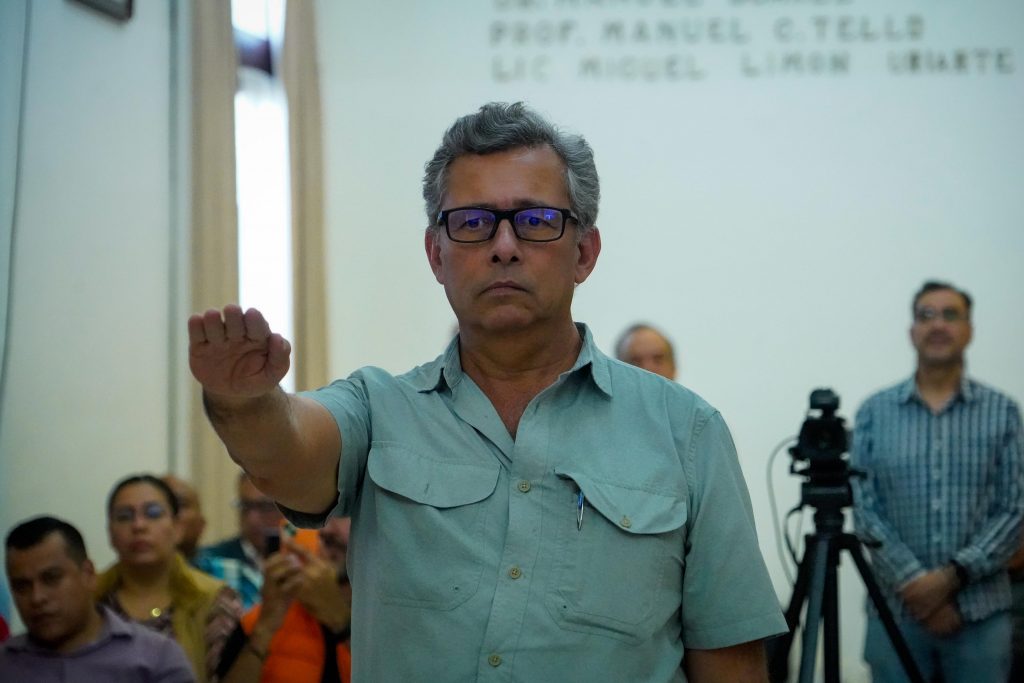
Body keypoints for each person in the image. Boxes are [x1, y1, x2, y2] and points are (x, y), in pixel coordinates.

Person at [187, 101, 786, 682]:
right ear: (436, 254)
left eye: (535, 221)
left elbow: (730, 660)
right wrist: (245, 400)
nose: (503, 246)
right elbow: (287, 456)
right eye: (472, 223)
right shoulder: (378, 410)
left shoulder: (686, 431)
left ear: (584, 252)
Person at [851, 280, 1024, 683]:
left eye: (950, 315)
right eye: (926, 315)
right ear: (912, 330)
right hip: (895, 611)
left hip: (980, 614)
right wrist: (913, 583)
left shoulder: (1003, 412)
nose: (938, 325)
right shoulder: (874, 411)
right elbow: (864, 507)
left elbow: (1014, 509)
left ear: (969, 329)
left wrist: (948, 580)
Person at [1, 515, 194, 682]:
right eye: (21, 586)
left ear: (88, 574)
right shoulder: (6, 665)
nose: (37, 597)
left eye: (51, 578)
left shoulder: (156, 659)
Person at [97, 474, 243, 682]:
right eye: (124, 516)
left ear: (177, 528)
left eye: (153, 513)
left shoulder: (214, 599)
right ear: (110, 533)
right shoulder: (90, 598)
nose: (138, 525)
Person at [215, 518, 352, 683]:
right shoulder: (262, 620)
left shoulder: (380, 620)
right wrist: (264, 629)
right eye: (320, 518)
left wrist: (342, 622)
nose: (325, 530)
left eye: (343, 515)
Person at [194, 472, 283, 610]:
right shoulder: (210, 562)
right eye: (245, 506)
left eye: (265, 507)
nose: (252, 519)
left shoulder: (305, 557)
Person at [162, 474, 208, 562]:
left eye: (180, 504)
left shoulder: (225, 570)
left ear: (201, 524)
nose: (170, 513)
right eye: (155, 509)